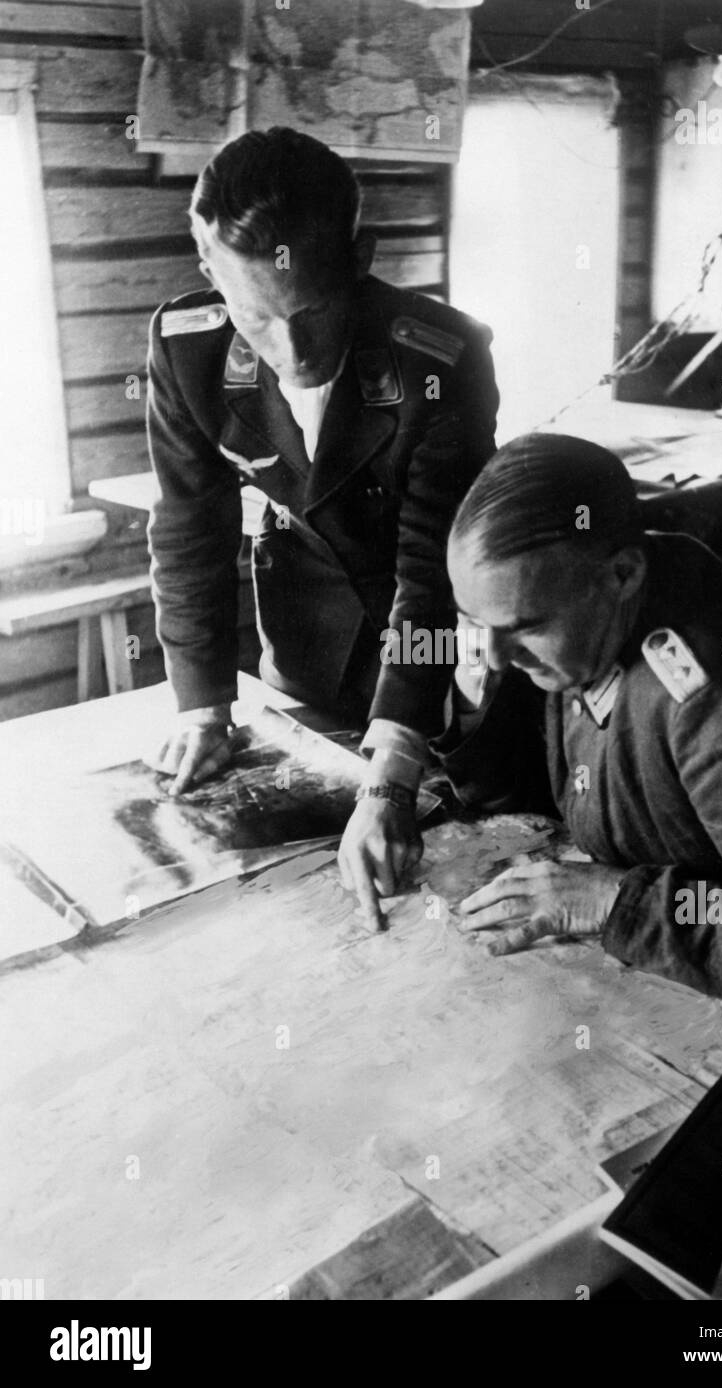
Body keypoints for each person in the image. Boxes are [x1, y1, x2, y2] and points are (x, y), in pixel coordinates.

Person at [146, 127, 498, 922]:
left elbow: (429, 567)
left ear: (361, 255)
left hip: (434, 649)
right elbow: (188, 531)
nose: (293, 348)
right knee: (298, 890)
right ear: (209, 271)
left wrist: (395, 762)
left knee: (441, 862)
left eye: (313, 310)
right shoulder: (187, 349)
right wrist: (202, 707)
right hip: (301, 628)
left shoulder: (440, 360)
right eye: (257, 320)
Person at [431, 432, 722, 1020]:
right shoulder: (588, 607)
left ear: (623, 575)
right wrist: (470, 702)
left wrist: (617, 903)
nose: (495, 656)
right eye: (473, 623)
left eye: (523, 627)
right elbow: (552, 802)